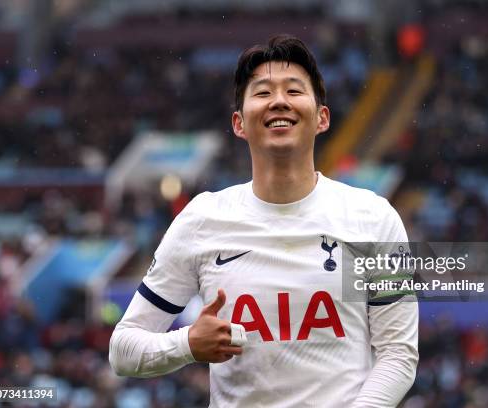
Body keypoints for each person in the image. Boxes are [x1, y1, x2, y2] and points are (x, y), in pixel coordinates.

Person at [109, 34, 418, 407]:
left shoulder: (372, 218)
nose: (279, 101)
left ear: (322, 118)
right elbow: (123, 349)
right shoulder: (202, 220)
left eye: (293, 90)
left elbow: (398, 355)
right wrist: (188, 343)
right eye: (262, 92)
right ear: (239, 124)